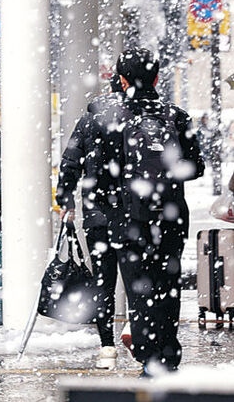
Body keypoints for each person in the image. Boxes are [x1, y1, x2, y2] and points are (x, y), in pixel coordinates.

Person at [111, 48, 203, 375]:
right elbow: (196, 168)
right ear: (157, 77)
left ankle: (148, 357)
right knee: (168, 286)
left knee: (140, 289)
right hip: (171, 216)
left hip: (131, 218)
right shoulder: (177, 116)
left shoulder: (114, 119)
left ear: (122, 80)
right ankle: (167, 355)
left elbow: (104, 171)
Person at [55, 75, 125, 370]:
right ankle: (140, 335)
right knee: (140, 279)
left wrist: (66, 199)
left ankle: (107, 345)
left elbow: (70, 162)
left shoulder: (90, 119)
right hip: (135, 212)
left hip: (99, 215)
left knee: (103, 281)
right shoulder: (140, 116)